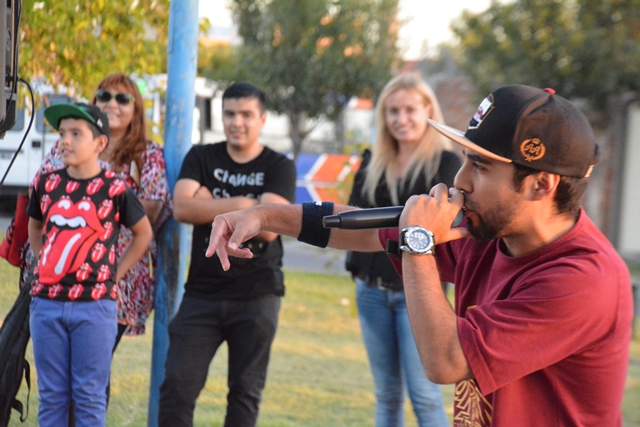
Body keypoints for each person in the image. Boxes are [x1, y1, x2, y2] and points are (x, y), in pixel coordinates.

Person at [205, 85, 633, 426]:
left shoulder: (582, 280)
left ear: (541, 185)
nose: (460, 181)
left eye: (481, 168)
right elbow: (366, 230)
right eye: (466, 161)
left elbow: (447, 360)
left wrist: (418, 241)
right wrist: (262, 216)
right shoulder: (490, 230)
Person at [158, 82, 297, 427]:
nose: (238, 122)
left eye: (247, 114)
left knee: (244, 394)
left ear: (262, 119)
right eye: (230, 114)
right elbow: (182, 208)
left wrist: (217, 203)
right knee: (177, 386)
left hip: (257, 295)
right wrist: (249, 206)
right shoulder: (202, 156)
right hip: (202, 295)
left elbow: (268, 228)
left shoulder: (278, 166)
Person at [27, 103, 153, 427]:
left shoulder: (114, 189)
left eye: (75, 134)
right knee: (52, 395)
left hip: (95, 307)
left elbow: (143, 234)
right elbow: (35, 225)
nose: (65, 141)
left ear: (100, 143)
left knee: (89, 396)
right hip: (47, 305)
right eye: (61, 133)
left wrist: (113, 276)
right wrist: (45, 261)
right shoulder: (46, 183)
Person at [345, 73, 457, 427]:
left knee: (425, 397)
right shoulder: (372, 161)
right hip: (371, 292)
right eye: (392, 111)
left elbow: (447, 228)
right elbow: (351, 218)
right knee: (386, 396)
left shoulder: (446, 164)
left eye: (410, 109)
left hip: (420, 297)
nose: (400, 118)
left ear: (428, 110)